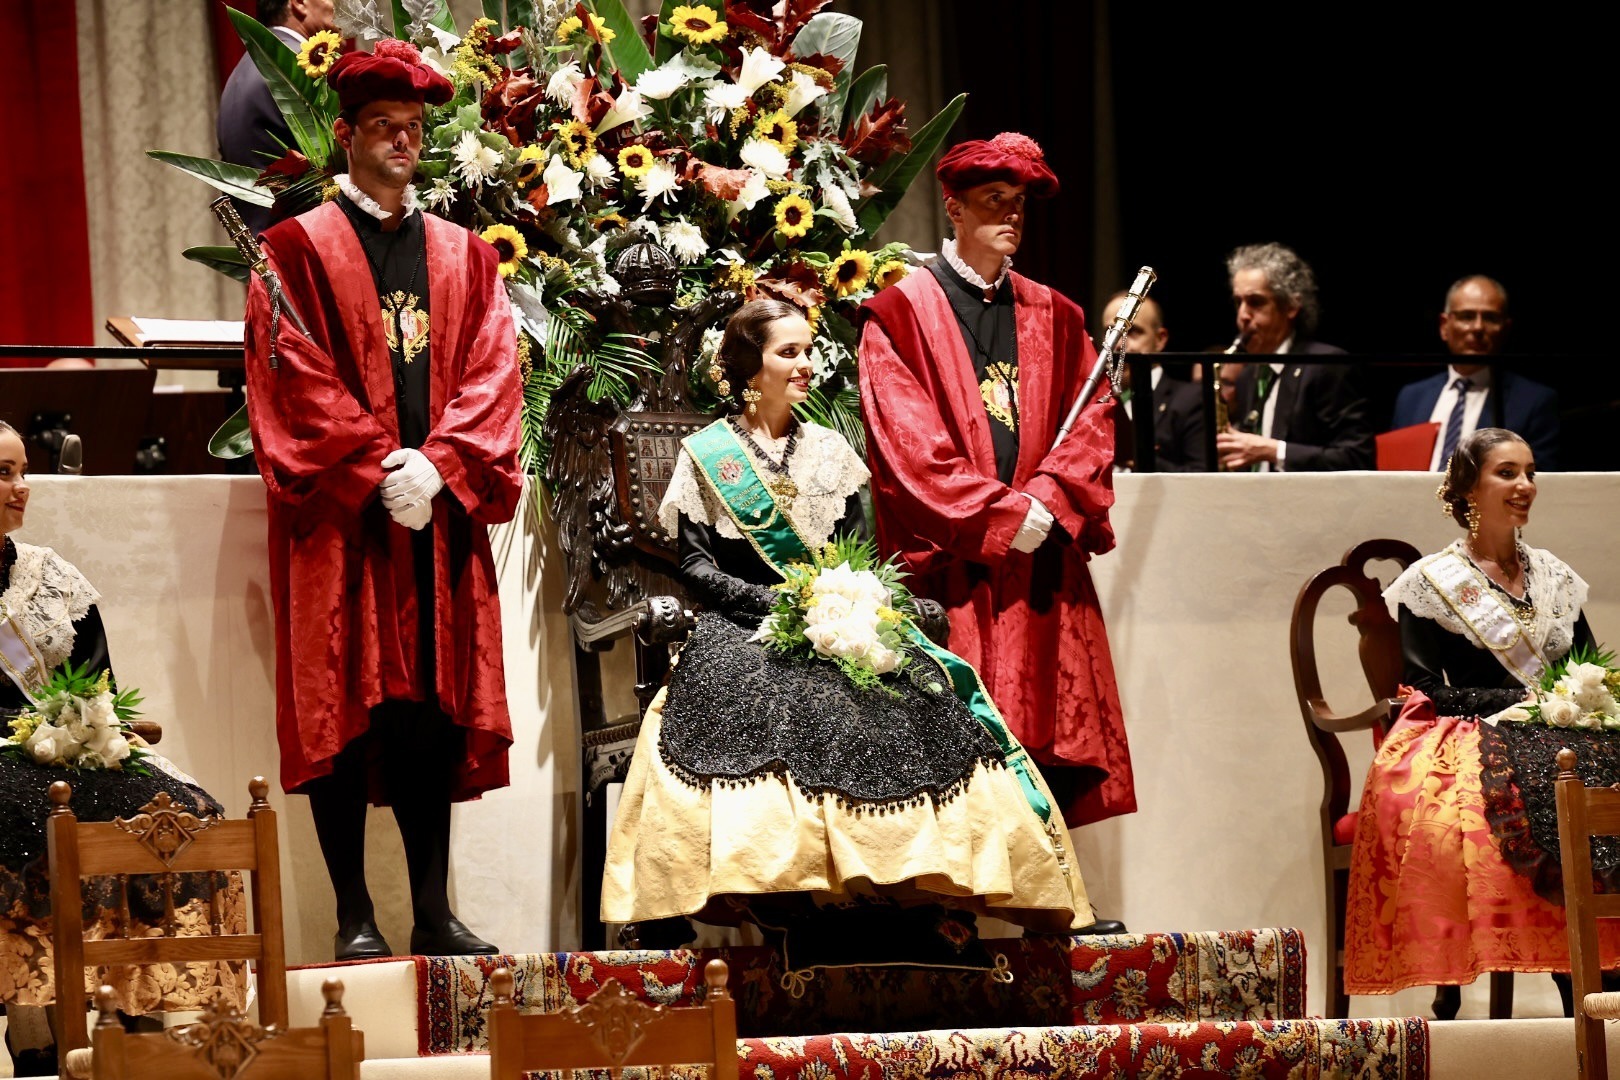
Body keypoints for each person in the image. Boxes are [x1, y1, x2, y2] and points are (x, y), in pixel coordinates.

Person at [601, 300, 1093, 971]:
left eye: (809, 351)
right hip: (745, 627)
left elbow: (858, 549)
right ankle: (788, 902)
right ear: (750, 368)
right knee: (751, 705)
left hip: (841, 620)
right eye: (789, 353)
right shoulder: (706, 455)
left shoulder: (833, 452)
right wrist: (772, 601)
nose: (807, 365)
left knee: (918, 700)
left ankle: (913, 895)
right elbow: (693, 563)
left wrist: (847, 602)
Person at [241, 41, 522, 960]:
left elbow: (492, 372)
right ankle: (353, 913)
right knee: (346, 711)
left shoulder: (468, 259)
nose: (403, 143)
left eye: (414, 129)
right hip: (343, 523)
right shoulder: (292, 250)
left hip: (436, 521)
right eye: (384, 128)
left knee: (428, 712)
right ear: (346, 134)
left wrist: (440, 467)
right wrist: (377, 469)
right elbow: (291, 379)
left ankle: (434, 913)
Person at [856, 132, 1135, 841]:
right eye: (992, 202)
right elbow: (907, 448)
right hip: (957, 570)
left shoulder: (1059, 315)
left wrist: (1054, 498)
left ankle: (1048, 889)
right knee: (958, 741)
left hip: (1040, 569)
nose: (1011, 216)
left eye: (1018, 204)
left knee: (1045, 738)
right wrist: (1006, 515)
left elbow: (1092, 422)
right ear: (952, 207)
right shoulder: (900, 315)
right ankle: (959, 901)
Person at [1343, 427, 1620, 1016]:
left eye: (1530, 472)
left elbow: (1585, 663)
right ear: (1469, 485)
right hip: (1471, 730)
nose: (1525, 486)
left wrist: (1581, 697)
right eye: (1507, 473)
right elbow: (1423, 689)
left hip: (1560, 730)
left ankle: (1603, 964)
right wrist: (1523, 704)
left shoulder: (1554, 577)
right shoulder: (1430, 584)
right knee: (1515, 790)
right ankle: (1575, 977)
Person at [0, 421, 237, 1076]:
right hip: (9, 761)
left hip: (62, 750)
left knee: (177, 808)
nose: (20, 488)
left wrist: (86, 725)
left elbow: (94, 680)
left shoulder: (51, 577)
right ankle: (39, 1040)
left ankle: (132, 1018)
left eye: (23, 472)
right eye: (2, 473)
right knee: (31, 821)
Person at [1214, 242, 1373, 472]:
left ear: (1291, 306)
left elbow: (1356, 458)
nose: (1243, 315)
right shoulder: (1249, 375)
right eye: (1238, 302)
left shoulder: (1326, 366)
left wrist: (1273, 451)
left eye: (1256, 302)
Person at [1389, 275, 1560, 470]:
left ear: (1505, 328)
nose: (1478, 327)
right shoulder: (1411, 397)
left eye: (1490, 318)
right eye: (1467, 316)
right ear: (1444, 326)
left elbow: (1539, 482)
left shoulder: (1534, 402)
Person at [217, 0, 338, 234]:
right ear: (299, 3)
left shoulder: (243, 70)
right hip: (303, 245)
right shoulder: (297, 70)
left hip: (264, 245)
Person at [1101, 292, 1207, 472]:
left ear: (1160, 339)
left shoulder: (1191, 399)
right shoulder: (1093, 401)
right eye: (1111, 332)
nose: (1118, 344)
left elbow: (1203, 478)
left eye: (1132, 332)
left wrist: (1138, 458)